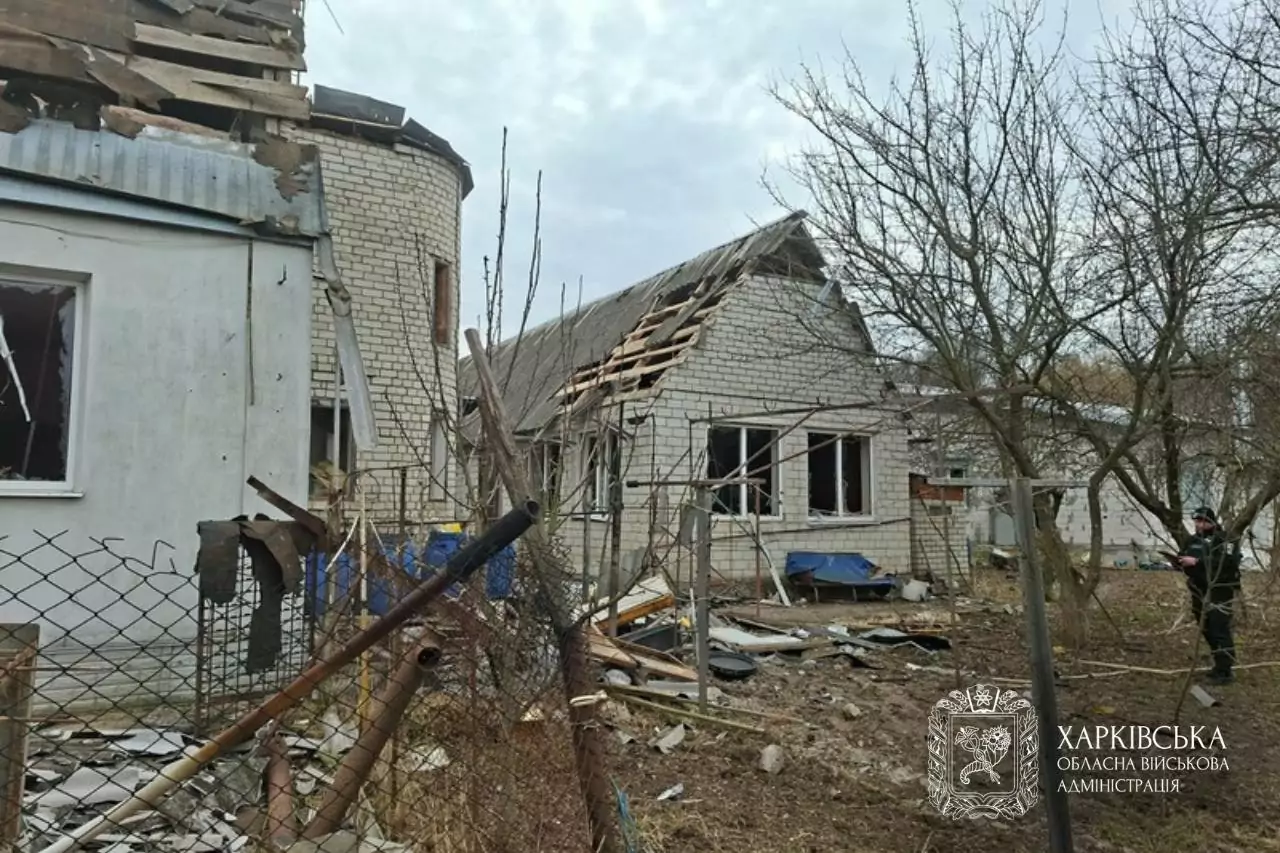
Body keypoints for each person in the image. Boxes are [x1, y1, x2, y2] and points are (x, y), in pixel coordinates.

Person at [1177, 507, 1240, 684]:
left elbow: (1228, 561)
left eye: (1202, 521)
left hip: (1220, 589)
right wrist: (1180, 561)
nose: (1198, 525)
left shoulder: (1225, 539)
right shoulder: (1193, 540)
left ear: (1211, 522)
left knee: (1219, 628)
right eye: (1196, 521)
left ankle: (1225, 671)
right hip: (1198, 589)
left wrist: (1198, 561)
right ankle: (1218, 663)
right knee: (1205, 627)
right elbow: (1183, 555)